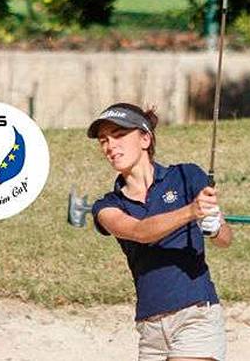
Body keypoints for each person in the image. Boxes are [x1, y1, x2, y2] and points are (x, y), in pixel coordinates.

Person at [87, 102, 233, 361]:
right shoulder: (106, 206)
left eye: (119, 136)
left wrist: (214, 227)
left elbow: (226, 240)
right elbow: (140, 232)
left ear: (145, 138)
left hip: (196, 315)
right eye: (103, 140)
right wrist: (190, 211)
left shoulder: (187, 175)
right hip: (150, 330)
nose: (110, 146)